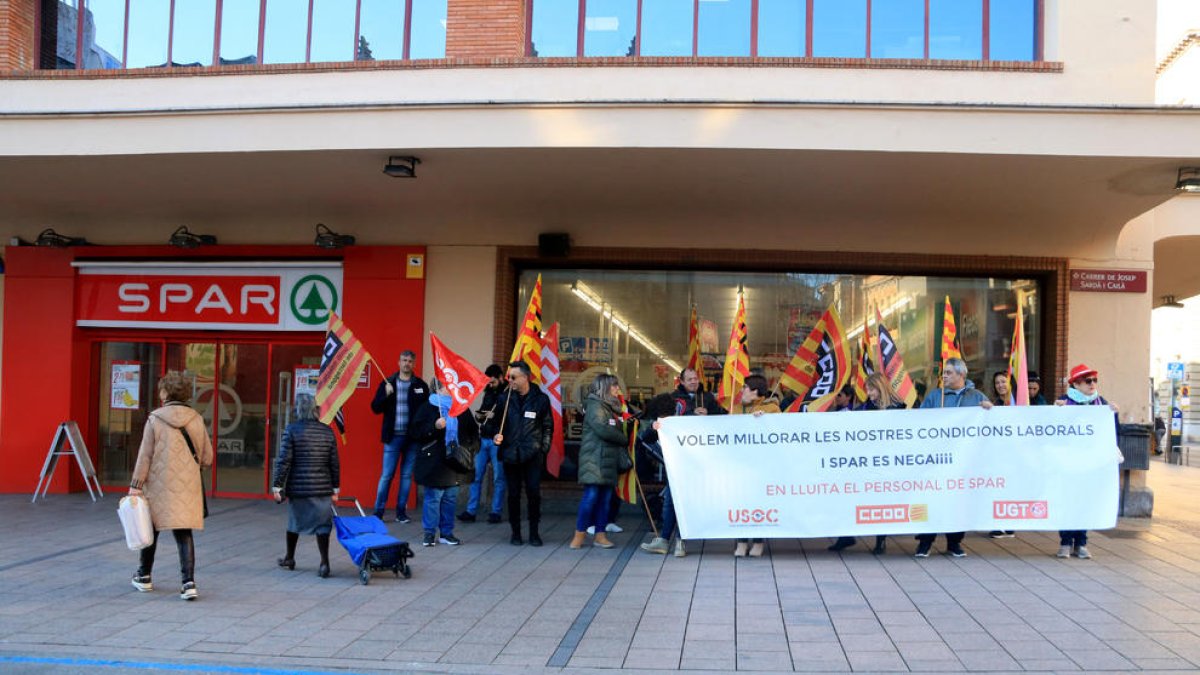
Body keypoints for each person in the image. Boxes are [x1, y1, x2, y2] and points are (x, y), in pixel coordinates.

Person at [128, 371, 214, 601]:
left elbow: (144, 456)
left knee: (151, 530)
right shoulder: (196, 418)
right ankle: (188, 583)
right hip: (187, 485)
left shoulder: (155, 418)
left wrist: (136, 485)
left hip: (158, 484)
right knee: (183, 531)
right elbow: (207, 457)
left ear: (165, 392)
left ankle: (144, 576)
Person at [914, 357, 993, 558]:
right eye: (944, 373)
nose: (944, 376)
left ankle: (954, 542)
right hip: (936, 459)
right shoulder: (934, 396)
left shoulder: (977, 397)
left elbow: (991, 423)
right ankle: (925, 542)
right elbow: (919, 421)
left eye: (949, 373)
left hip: (963, 461)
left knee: (958, 501)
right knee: (931, 499)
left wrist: (989, 410)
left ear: (961, 375)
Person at [829, 373, 907, 554]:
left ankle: (881, 540)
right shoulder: (864, 408)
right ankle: (846, 536)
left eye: (871, 389)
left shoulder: (898, 407)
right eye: (867, 389)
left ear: (881, 387)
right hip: (864, 463)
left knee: (882, 502)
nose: (869, 393)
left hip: (886, 463)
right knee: (851, 497)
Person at [1054, 363, 1120, 560]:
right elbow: (1053, 430)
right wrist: (1057, 412)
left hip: (1090, 463)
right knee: (1068, 501)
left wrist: (1113, 415)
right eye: (1087, 381)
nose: (1092, 384)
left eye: (1094, 380)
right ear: (1076, 384)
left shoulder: (1101, 404)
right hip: (1068, 462)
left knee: (1085, 502)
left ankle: (1081, 543)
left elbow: (1113, 432)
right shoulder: (1064, 402)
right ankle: (1065, 542)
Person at [271, 393, 340, 578]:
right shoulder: (327, 431)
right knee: (323, 527)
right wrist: (335, 488)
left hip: (299, 489)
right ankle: (324, 563)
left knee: (294, 523)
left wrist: (277, 486)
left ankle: (290, 558)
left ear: (298, 410)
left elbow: (284, 461)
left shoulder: (292, 430)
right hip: (322, 488)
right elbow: (334, 462)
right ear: (314, 410)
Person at [412, 379, 478, 547]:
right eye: (447, 386)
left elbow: (473, 431)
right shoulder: (428, 407)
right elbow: (416, 432)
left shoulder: (461, 407)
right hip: (434, 461)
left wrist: (471, 449)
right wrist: (434, 426)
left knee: (450, 498)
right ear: (438, 389)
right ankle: (429, 533)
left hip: (455, 462)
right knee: (433, 498)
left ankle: (446, 533)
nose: (452, 388)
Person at [495, 361, 553, 546]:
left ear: (525, 377)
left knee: (534, 494)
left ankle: (534, 533)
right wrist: (496, 435)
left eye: (513, 377)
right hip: (511, 454)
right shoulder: (504, 399)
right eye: (508, 377)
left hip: (532, 455)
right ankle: (516, 533)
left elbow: (547, 426)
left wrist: (543, 449)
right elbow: (494, 424)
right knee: (513, 495)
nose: (509, 380)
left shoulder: (541, 399)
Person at [369, 350, 430, 522]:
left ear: (414, 363)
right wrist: (385, 394)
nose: (407, 363)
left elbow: (426, 412)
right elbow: (375, 408)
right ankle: (378, 512)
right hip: (393, 437)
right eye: (404, 360)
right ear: (398, 362)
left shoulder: (420, 385)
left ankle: (401, 512)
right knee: (387, 475)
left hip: (412, 439)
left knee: (406, 477)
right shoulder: (388, 382)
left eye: (410, 361)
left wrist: (421, 433)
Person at [571, 374, 628, 549]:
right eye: (614, 386)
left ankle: (600, 535)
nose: (617, 389)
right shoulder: (596, 405)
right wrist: (623, 438)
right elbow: (603, 430)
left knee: (604, 499)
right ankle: (579, 535)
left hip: (606, 459)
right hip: (594, 459)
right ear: (604, 387)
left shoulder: (609, 408)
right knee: (591, 497)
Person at [734, 374, 781, 558]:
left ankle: (759, 542)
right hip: (739, 465)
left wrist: (765, 422)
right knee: (741, 503)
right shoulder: (736, 409)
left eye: (744, 387)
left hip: (763, 467)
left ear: (754, 391)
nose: (741, 390)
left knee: (760, 504)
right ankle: (741, 541)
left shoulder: (772, 409)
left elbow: (779, 432)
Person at [640, 393, 687, 557]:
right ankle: (676, 542)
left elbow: (643, 438)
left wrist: (653, 426)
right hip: (685, 471)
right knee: (675, 505)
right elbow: (645, 436)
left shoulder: (663, 424)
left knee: (672, 505)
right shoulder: (683, 423)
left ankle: (668, 540)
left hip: (675, 472)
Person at [459, 364, 507, 524]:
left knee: (498, 478)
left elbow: (510, 419)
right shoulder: (488, 394)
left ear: (500, 378)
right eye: (489, 382)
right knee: (476, 476)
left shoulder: (507, 395)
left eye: (492, 382)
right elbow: (480, 416)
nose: (490, 385)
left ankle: (496, 512)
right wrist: (485, 415)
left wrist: (496, 415)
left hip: (497, 441)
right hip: (483, 438)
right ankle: (471, 511)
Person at [987, 371, 1016, 539]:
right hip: (998, 453)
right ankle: (998, 524)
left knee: (1011, 488)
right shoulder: (994, 403)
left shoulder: (1021, 401)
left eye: (1003, 381)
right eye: (997, 383)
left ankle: (1010, 523)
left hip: (1015, 453)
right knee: (998, 488)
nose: (1000, 385)